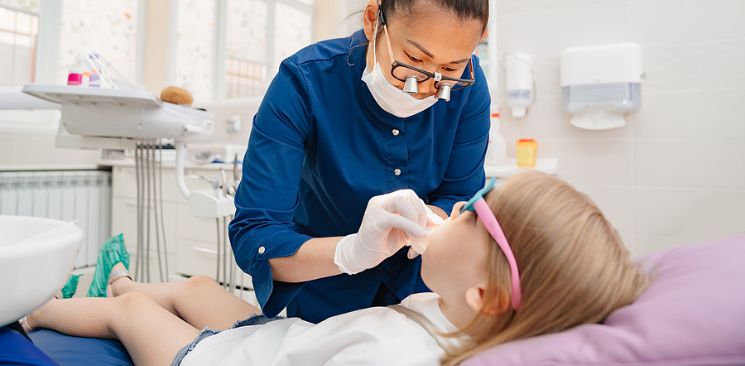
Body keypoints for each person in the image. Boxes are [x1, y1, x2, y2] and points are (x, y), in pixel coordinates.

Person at [23, 172, 648, 365]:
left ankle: (36, 307)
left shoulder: (390, 360)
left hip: (218, 363)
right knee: (196, 285)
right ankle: (127, 280)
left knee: (133, 315)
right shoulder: (466, 314)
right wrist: (357, 248)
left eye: (467, 216)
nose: (450, 209)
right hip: (275, 341)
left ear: (485, 291)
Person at [228, 0, 493, 323]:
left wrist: (426, 221)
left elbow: (461, 196)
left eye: (450, 70)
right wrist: (350, 252)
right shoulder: (305, 81)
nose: (425, 90)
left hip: (423, 290)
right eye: (413, 60)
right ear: (373, 21)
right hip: (326, 291)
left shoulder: (470, 86)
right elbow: (256, 233)